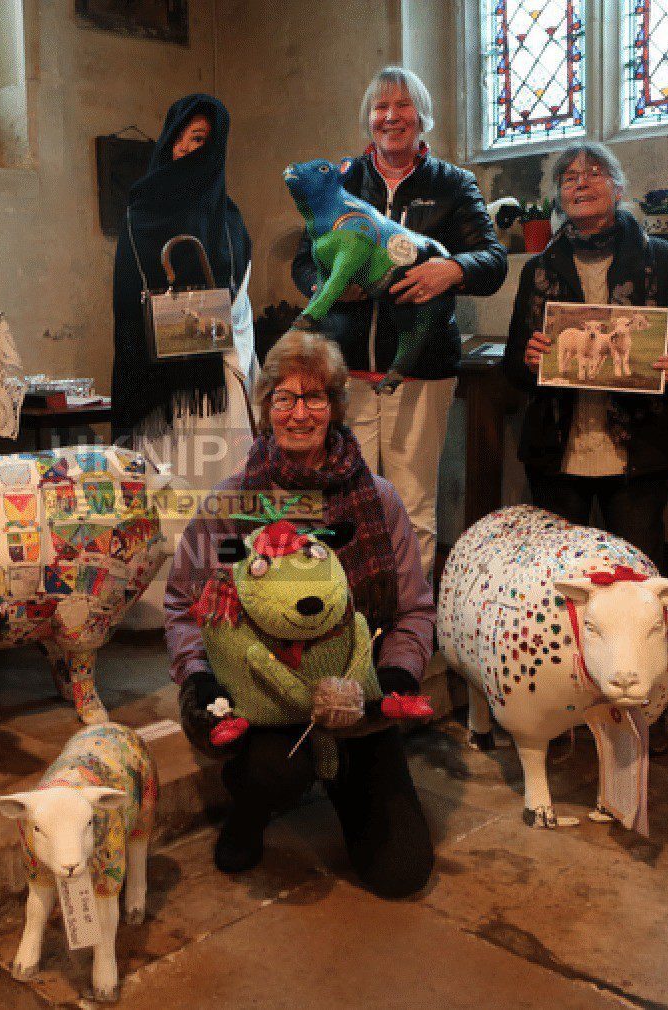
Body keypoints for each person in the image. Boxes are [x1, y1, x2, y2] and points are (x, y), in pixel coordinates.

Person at [164, 330, 435, 899]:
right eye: (283, 398)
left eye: (314, 397)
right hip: (267, 698)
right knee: (274, 771)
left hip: (355, 697)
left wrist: (394, 677)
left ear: (335, 407)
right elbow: (185, 603)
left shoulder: (378, 500)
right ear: (266, 409)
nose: (298, 413)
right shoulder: (232, 503)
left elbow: (413, 608)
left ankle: (345, 776)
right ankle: (249, 813)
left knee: (401, 872)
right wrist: (199, 679)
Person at [292, 66, 507, 577]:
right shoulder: (341, 180)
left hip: (420, 372)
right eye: (380, 107)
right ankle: (350, 609)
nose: (391, 116)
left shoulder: (453, 184)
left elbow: (493, 260)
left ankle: (411, 613)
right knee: (347, 501)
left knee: (413, 505)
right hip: (346, 369)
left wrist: (452, 269)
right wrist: (323, 287)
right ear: (368, 118)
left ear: (422, 115)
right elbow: (305, 261)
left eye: (402, 105)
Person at [502, 142, 668, 570]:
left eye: (594, 174)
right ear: (560, 198)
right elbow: (514, 364)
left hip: (639, 453)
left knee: (634, 577)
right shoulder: (537, 269)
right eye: (569, 178)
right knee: (557, 581)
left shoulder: (665, 261)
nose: (581, 184)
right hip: (557, 455)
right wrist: (529, 359)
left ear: (618, 189)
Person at [112, 94, 257, 629]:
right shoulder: (143, 205)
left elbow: (240, 299)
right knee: (168, 487)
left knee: (217, 486)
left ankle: (224, 593)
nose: (186, 149)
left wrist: (236, 360)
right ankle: (157, 604)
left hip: (216, 376)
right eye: (181, 136)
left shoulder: (227, 215)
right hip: (159, 384)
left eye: (200, 140)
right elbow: (126, 297)